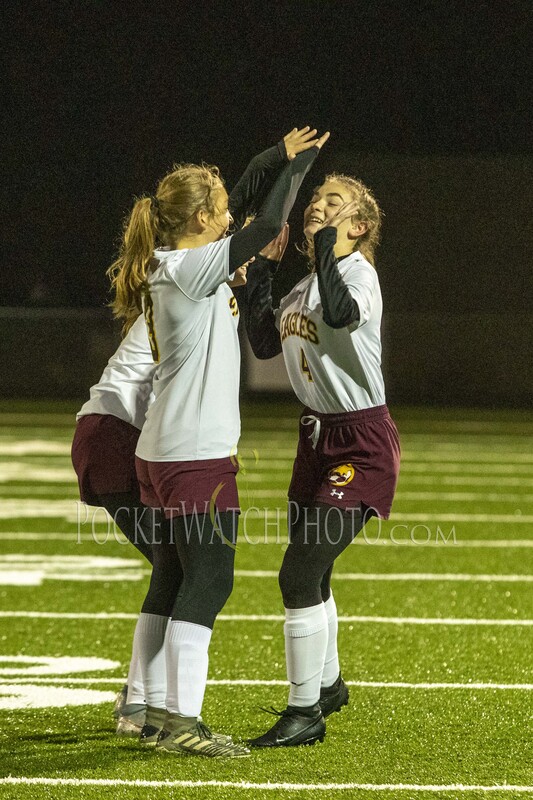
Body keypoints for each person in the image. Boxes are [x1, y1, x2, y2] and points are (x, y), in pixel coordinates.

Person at [106, 128, 329, 758]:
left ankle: (150, 709)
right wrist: (294, 171)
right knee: (211, 580)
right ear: (202, 220)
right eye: (221, 209)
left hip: (168, 450)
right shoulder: (185, 267)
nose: (230, 215)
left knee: (175, 579)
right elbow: (261, 230)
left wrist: (272, 161)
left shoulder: (179, 264)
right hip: (190, 454)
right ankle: (180, 721)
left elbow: (246, 219)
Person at [244, 172, 401, 747]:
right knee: (318, 573)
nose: (317, 206)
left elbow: (339, 315)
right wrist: (259, 270)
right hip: (316, 439)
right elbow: (264, 340)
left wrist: (327, 249)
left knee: (299, 572)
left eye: (333, 204)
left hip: (360, 441)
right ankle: (329, 684)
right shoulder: (308, 283)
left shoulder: (358, 274)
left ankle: (304, 712)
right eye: (315, 201)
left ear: (359, 227)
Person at [71, 314, 164, 737]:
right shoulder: (191, 287)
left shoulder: (186, 286)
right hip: (118, 434)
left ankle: (141, 696)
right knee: (178, 564)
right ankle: (140, 698)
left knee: (177, 564)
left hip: (114, 431)